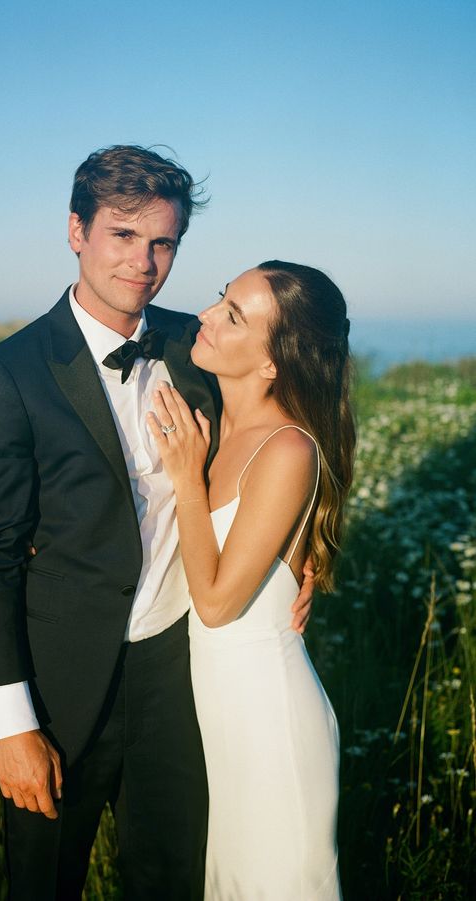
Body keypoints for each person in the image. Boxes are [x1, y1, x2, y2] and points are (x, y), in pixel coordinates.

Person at [0, 147, 314, 900]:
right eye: (122, 235)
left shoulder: (197, 343)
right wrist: (12, 724)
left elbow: (298, 421)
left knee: (173, 877)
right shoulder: (4, 376)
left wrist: (309, 549)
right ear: (76, 231)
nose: (143, 262)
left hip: (177, 675)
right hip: (58, 684)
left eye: (162, 243)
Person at [149, 261, 354, 899]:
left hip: (271, 728)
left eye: (233, 315)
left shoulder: (286, 448)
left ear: (274, 364)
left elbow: (213, 604)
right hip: (224, 728)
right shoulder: (215, 414)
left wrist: (186, 477)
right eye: (220, 299)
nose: (206, 315)